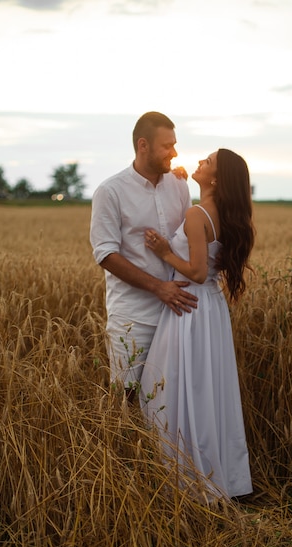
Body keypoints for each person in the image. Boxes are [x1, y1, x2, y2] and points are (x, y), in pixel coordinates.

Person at [140, 148, 255, 498]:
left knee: (168, 387)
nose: (199, 163)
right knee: (207, 390)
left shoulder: (196, 214)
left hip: (188, 307)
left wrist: (164, 253)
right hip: (211, 308)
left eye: (207, 162)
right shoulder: (222, 213)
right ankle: (218, 476)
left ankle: (184, 481)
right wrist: (179, 177)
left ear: (216, 179)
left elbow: (196, 270)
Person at [90, 112, 198, 395]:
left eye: (175, 144)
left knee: (171, 400)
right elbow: (105, 254)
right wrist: (158, 287)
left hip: (177, 312)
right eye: (167, 146)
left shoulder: (179, 185)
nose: (174, 152)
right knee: (126, 397)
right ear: (143, 145)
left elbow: (190, 240)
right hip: (132, 317)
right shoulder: (110, 191)